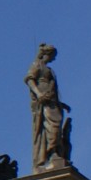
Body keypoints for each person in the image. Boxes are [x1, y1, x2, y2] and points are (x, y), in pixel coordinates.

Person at [26, 44, 72, 172]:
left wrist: (61, 104)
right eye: (53, 56)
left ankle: (55, 152)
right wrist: (39, 94)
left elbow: (54, 89)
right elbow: (30, 80)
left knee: (56, 127)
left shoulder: (50, 70)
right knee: (51, 127)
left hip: (53, 102)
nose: (54, 59)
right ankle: (51, 153)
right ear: (47, 54)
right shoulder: (37, 65)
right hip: (44, 102)